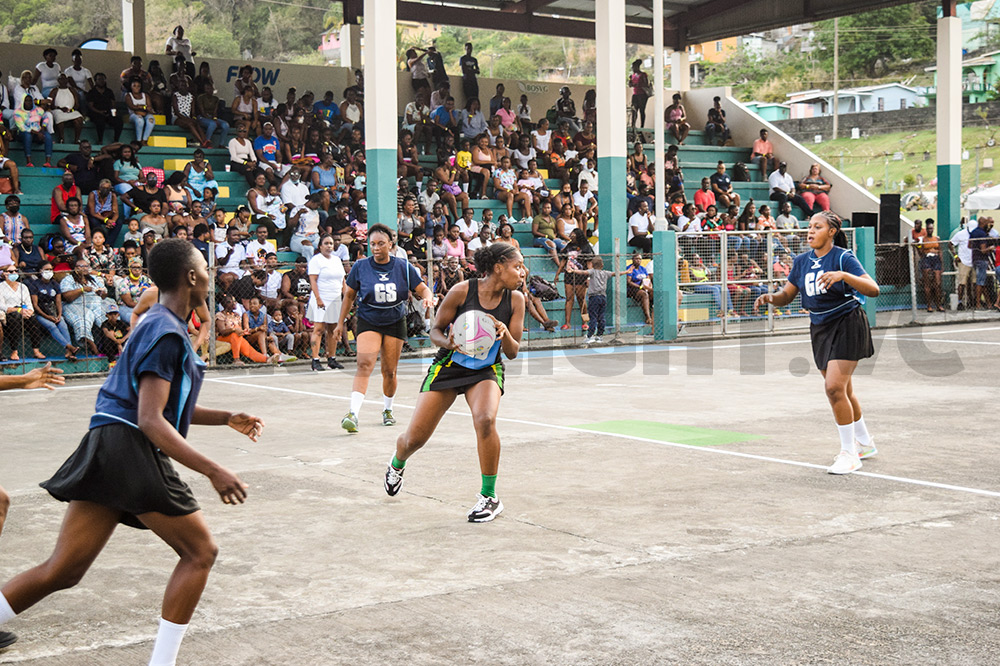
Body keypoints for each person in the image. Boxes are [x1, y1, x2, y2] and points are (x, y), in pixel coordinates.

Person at [0, 239, 264, 665]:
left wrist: (226, 416)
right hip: (130, 447)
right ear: (192, 276)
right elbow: (150, 419)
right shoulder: (165, 332)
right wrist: (213, 469)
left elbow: (160, 404)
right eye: (205, 269)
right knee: (200, 553)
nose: (210, 277)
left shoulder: (160, 323)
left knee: (64, 569)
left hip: (107, 442)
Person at [385, 242, 525, 523]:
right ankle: (397, 463)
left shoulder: (516, 300)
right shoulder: (462, 290)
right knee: (414, 439)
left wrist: (504, 332)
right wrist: (448, 342)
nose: (523, 272)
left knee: (485, 419)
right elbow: (435, 330)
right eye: (517, 266)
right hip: (449, 366)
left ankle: (489, 497)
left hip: (485, 370)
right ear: (498, 268)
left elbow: (512, 351)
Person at [754, 212, 880, 474]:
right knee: (843, 391)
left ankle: (849, 453)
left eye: (817, 227)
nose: (810, 231)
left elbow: (873, 288)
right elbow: (787, 295)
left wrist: (843, 276)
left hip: (847, 322)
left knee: (834, 388)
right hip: (820, 327)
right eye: (809, 227)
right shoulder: (801, 261)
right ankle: (866, 443)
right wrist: (770, 298)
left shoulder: (843, 257)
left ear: (832, 231)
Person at [334, 224, 434, 431]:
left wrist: (428, 298)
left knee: (390, 371)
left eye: (381, 243)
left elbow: (423, 289)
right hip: (369, 319)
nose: (376, 247)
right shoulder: (360, 267)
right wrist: (340, 322)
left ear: (391, 244)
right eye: (372, 244)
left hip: (395, 321)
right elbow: (349, 296)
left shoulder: (403, 267)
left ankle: (388, 409)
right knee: (364, 364)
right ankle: (353, 413)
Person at [306, 234, 347, 372]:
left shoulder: (336, 260)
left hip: (335, 298)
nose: (329, 246)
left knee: (333, 330)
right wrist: (318, 298)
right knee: (318, 329)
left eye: (331, 243)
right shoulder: (316, 260)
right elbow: (313, 280)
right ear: (320, 246)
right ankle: (315, 359)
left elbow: (342, 280)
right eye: (326, 243)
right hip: (321, 298)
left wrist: (346, 296)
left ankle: (332, 359)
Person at [86, 72, 123, 145]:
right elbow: (90, 106)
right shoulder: (92, 92)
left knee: (119, 121)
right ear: (95, 81)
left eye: (103, 79)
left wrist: (112, 113)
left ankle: (116, 140)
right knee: (100, 122)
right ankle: (100, 140)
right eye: (99, 79)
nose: (101, 81)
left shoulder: (109, 91)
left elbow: (113, 104)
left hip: (108, 113)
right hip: (96, 113)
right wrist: (100, 112)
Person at [916, 220, 944, 312]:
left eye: (931, 228)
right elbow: (920, 251)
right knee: (927, 283)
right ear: (926, 229)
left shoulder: (937, 238)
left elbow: (940, 250)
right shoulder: (923, 239)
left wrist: (941, 263)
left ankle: (938, 305)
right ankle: (929, 305)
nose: (930, 230)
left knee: (937, 283)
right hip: (926, 258)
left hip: (936, 259)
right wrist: (918, 246)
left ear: (933, 229)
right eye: (928, 229)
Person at [47, 75, 83, 144]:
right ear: (58, 80)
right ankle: (62, 138)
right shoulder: (54, 90)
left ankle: (77, 139)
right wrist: (60, 108)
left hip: (71, 111)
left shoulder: (72, 90)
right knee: (59, 117)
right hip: (58, 110)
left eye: (64, 79)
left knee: (79, 118)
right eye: (61, 79)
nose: (63, 81)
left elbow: (77, 104)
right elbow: (50, 104)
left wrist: (71, 109)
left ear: (67, 80)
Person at [125, 77, 156, 145]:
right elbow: (132, 107)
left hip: (145, 114)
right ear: (131, 86)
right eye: (134, 86)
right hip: (133, 115)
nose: (136, 88)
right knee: (140, 120)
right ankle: (138, 140)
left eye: (138, 86)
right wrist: (144, 107)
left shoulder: (145, 95)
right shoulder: (128, 95)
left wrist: (140, 107)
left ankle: (144, 140)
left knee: (151, 120)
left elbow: (149, 107)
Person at [628, 60, 650, 129]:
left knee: (642, 110)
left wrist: (637, 84)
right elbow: (630, 85)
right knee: (634, 110)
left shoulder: (643, 75)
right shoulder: (633, 76)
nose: (633, 69)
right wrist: (630, 83)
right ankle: (633, 124)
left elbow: (646, 84)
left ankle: (642, 125)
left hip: (642, 94)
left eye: (634, 68)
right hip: (635, 94)